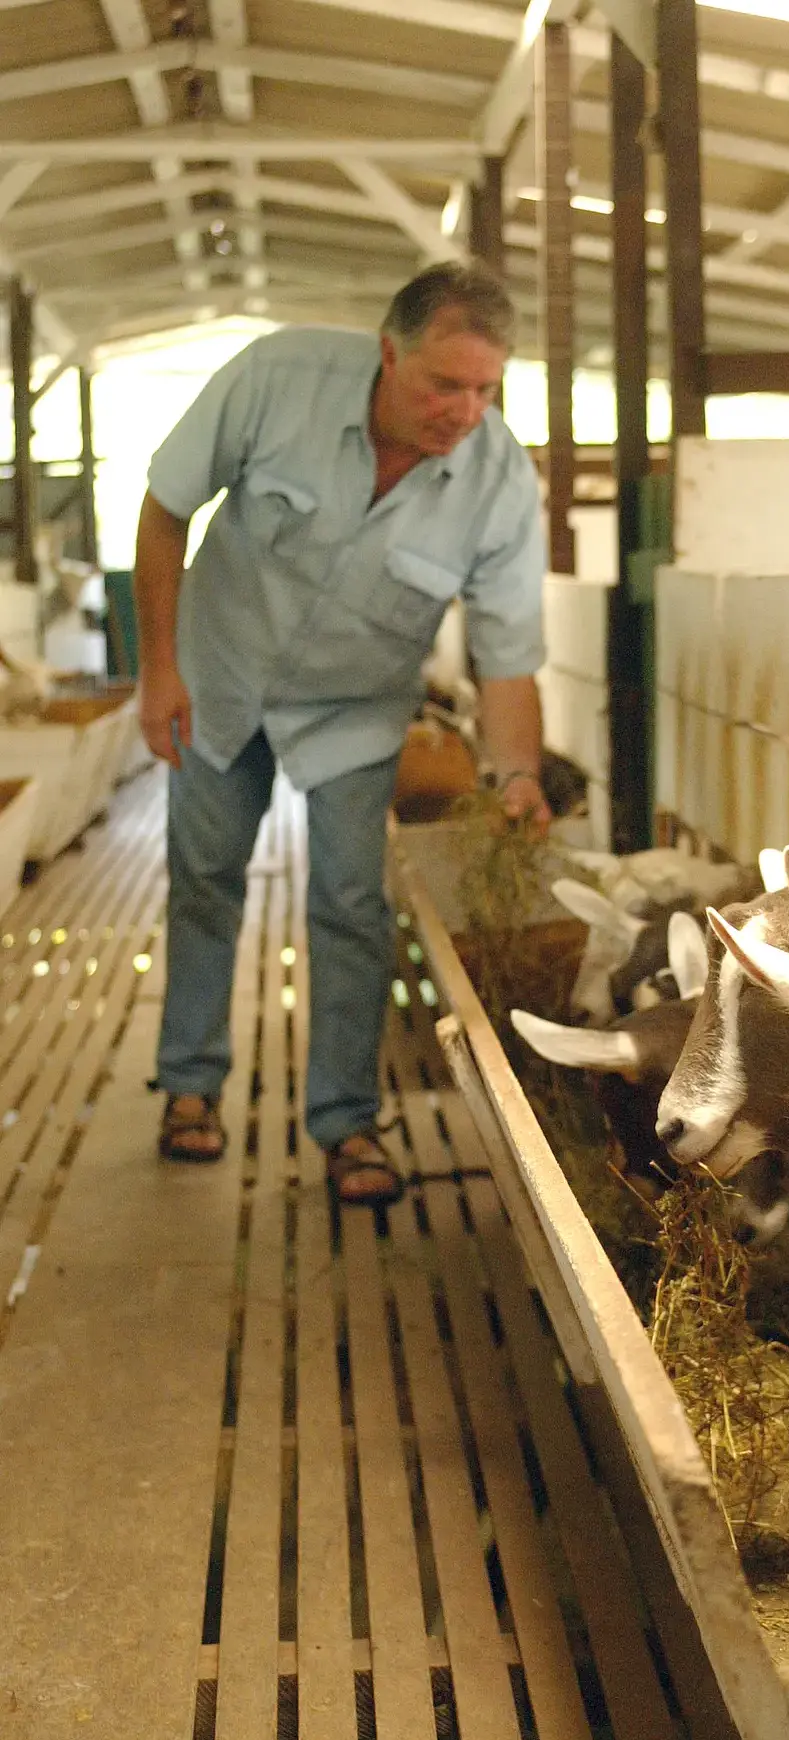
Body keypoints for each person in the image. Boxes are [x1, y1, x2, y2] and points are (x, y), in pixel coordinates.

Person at [134, 260, 550, 1204]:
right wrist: (157, 668)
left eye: (485, 389)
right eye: (445, 383)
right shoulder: (275, 380)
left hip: (357, 708)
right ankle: (189, 1087)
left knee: (351, 902)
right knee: (203, 875)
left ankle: (346, 1122)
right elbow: (164, 509)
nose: (464, 410)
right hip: (221, 671)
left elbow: (508, 651)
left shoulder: (499, 482)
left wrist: (515, 772)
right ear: (387, 352)